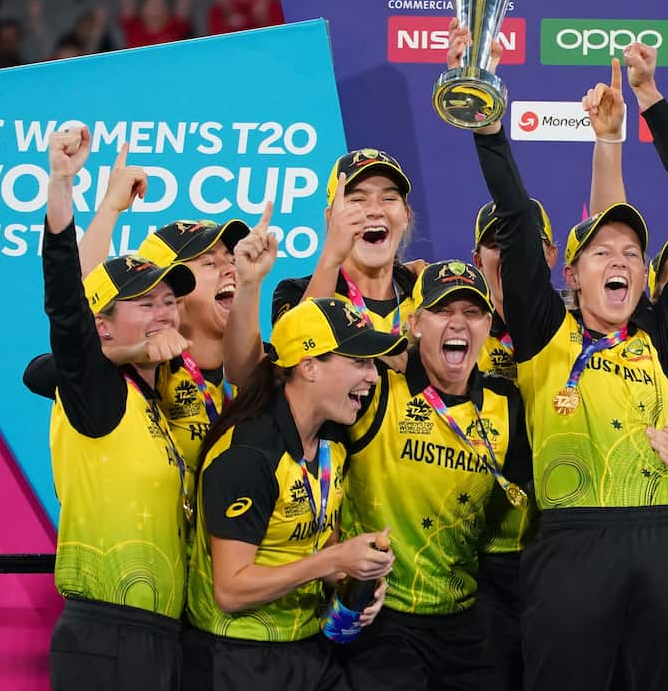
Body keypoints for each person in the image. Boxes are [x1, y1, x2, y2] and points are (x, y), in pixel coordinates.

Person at [451, 19, 668, 690]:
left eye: (633, 254)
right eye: (601, 252)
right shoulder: (547, 331)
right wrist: (486, 114)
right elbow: (516, 216)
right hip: (572, 542)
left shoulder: (659, 336)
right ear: (571, 276)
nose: (620, 261)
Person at [183, 216, 399, 689]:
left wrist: (353, 581)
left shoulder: (331, 446)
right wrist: (333, 562)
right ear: (308, 367)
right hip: (237, 659)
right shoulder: (247, 454)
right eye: (359, 362)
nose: (371, 376)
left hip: (309, 652)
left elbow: (311, 552)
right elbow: (230, 589)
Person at [42, 125, 196, 691]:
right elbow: (68, 301)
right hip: (108, 637)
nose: (164, 313)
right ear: (102, 324)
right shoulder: (96, 394)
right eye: (144, 302)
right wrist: (64, 187)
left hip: (159, 635)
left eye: (169, 301)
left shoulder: (149, 397)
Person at [341, 259, 533, 691]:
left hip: (463, 620)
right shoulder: (375, 389)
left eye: (472, 313)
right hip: (380, 621)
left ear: (487, 326)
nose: (458, 323)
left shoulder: (507, 406)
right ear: (415, 324)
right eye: (443, 310)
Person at [23, 145, 252, 474]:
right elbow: (80, 314)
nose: (231, 269)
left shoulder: (253, 367)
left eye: (232, 260)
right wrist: (111, 208)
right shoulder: (135, 370)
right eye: (210, 263)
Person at [471, 198, 557, 691]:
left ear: (548, 255)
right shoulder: (458, 335)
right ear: (478, 258)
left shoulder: (576, 334)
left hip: (562, 549)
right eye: (494, 242)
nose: (508, 251)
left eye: (522, 240)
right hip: (484, 558)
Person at [260, 149, 416, 380]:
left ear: (405, 215)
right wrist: (331, 257)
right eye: (357, 199)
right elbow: (293, 365)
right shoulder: (296, 292)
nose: (374, 210)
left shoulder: (428, 295)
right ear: (330, 217)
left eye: (389, 198)